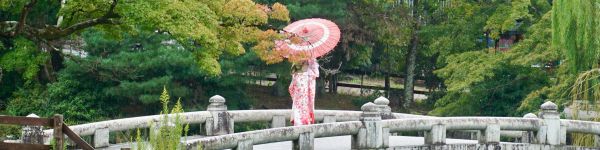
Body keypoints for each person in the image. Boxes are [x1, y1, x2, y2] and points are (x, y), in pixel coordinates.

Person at [289, 58, 319, 126]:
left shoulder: (296, 74)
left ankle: (301, 121)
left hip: (300, 89)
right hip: (307, 85)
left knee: (299, 106)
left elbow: (291, 88)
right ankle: (305, 121)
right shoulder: (311, 63)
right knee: (306, 104)